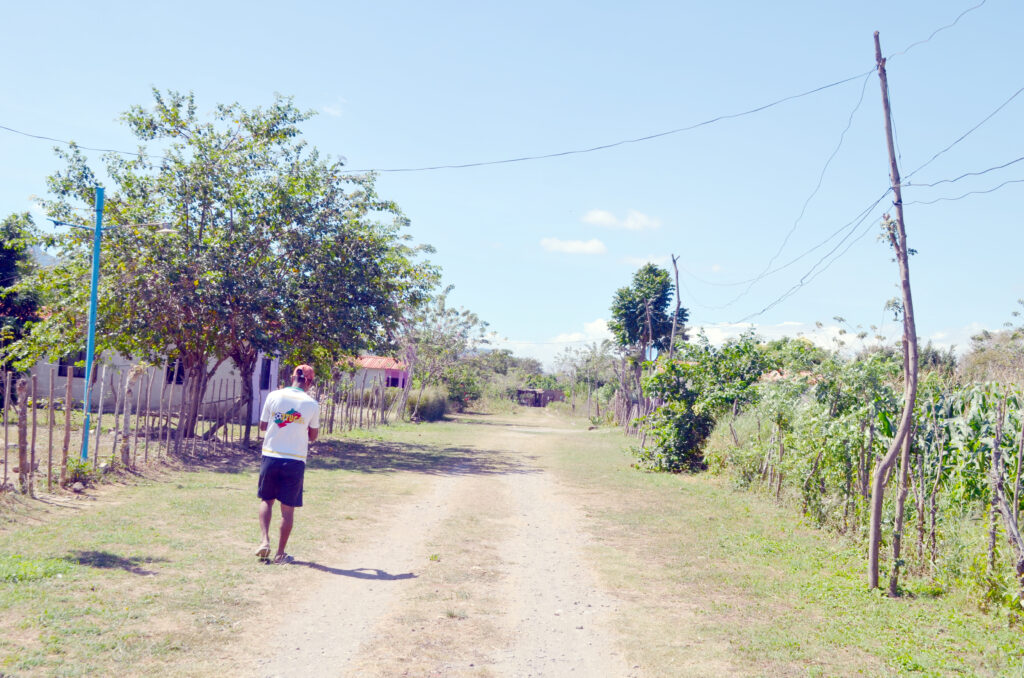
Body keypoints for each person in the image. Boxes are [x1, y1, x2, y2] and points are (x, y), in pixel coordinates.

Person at [256, 364, 320, 564]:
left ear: (292, 377)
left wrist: (282, 420)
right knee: (287, 509)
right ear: (308, 381)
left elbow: (263, 426)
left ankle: (265, 541)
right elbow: (313, 436)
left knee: (267, 500)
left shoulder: (274, 396)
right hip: (294, 460)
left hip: (271, 455)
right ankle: (280, 554)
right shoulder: (311, 404)